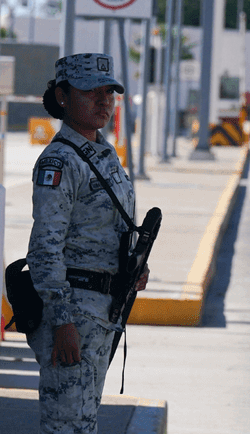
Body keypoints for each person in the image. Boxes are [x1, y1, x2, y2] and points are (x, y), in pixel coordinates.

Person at [27, 53, 148, 434]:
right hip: (73, 315)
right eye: (89, 92)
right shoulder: (60, 161)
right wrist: (62, 321)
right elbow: (45, 248)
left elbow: (112, 227)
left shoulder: (105, 154)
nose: (103, 102)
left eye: (109, 92)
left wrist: (133, 265)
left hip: (103, 313)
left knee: (84, 422)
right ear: (63, 97)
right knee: (67, 427)